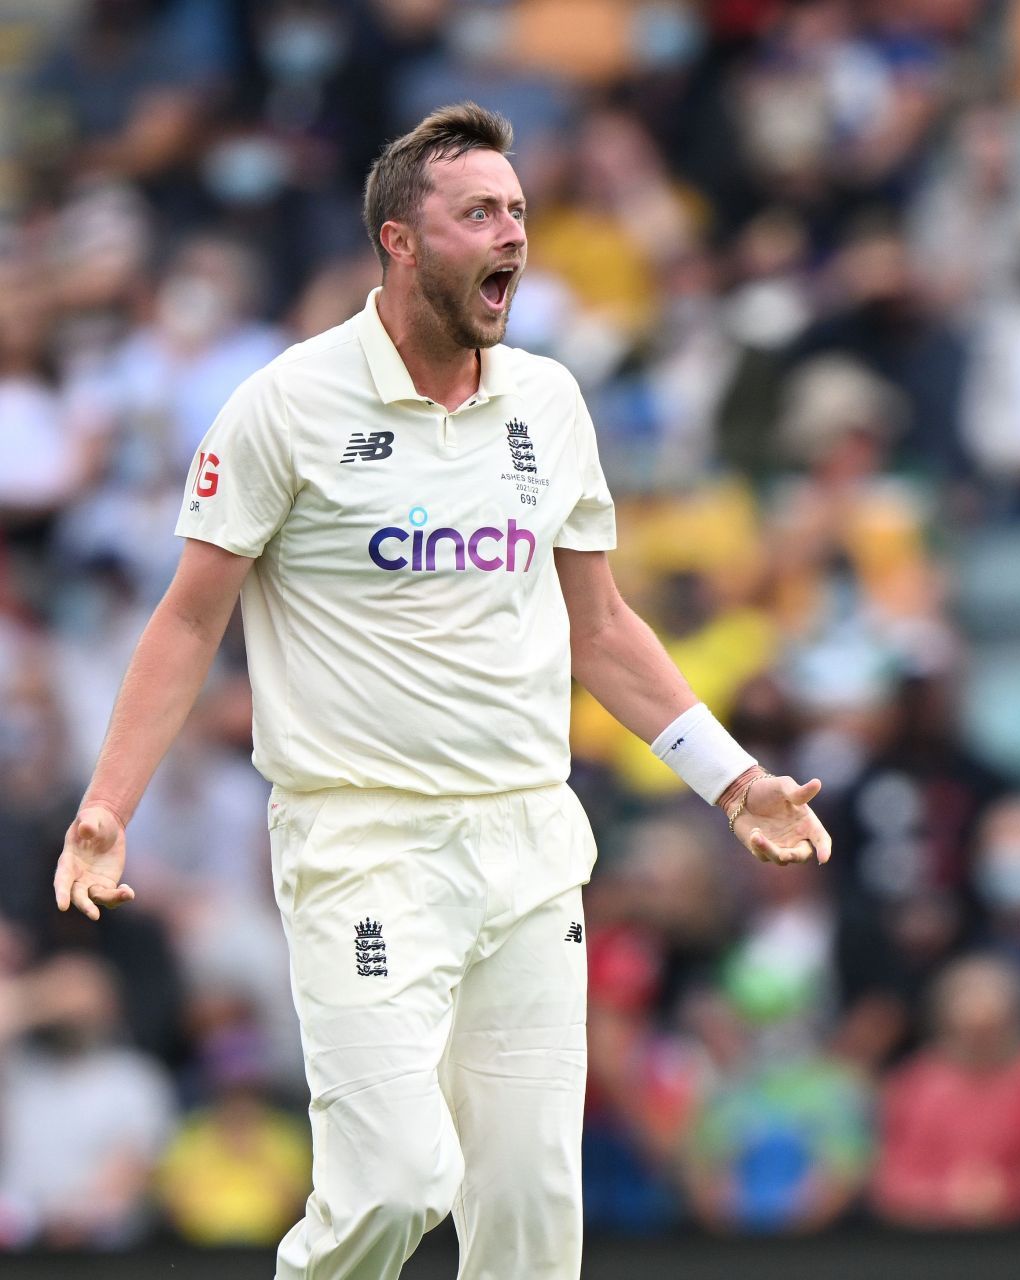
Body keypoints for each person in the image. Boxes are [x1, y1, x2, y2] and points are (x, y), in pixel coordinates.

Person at [49, 103, 831, 1280]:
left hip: (528, 840)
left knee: (530, 1213)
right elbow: (189, 615)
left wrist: (732, 781)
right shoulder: (288, 402)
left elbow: (603, 626)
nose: (513, 233)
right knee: (397, 1185)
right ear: (401, 242)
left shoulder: (550, 404)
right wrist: (112, 803)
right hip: (365, 841)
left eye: (519, 211)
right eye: (480, 212)